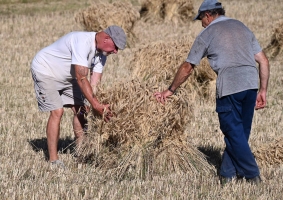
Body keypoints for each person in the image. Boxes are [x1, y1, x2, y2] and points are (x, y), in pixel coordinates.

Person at [154, 0, 269, 185]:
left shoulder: (207, 33)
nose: (201, 23)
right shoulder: (242, 27)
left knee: (233, 133)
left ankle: (252, 174)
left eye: (201, 19)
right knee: (239, 133)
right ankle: (226, 174)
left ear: (208, 15)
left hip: (229, 87)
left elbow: (187, 67)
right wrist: (263, 90)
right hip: (250, 85)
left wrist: (170, 90)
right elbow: (263, 61)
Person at [31, 25, 126, 168]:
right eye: (115, 47)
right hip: (46, 71)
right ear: (106, 38)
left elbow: (94, 83)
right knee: (57, 112)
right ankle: (53, 160)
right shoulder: (82, 42)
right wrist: (95, 104)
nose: (116, 52)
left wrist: (97, 104)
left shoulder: (102, 54)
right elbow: (81, 77)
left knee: (81, 110)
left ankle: (82, 153)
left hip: (69, 77)